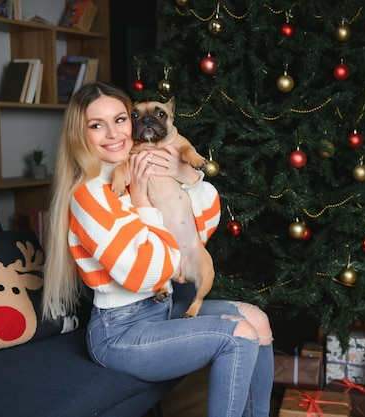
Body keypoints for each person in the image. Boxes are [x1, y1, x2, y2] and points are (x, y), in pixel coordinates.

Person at [42, 81, 274, 417]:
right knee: (238, 334)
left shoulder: (140, 167)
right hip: (120, 332)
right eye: (96, 125)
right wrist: (142, 201)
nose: (113, 133)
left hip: (161, 310)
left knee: (258, 320)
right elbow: (146, 273)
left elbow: (204, 225)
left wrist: (188, 177)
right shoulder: (90, 195)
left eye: (120, 119)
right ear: (81, 135)